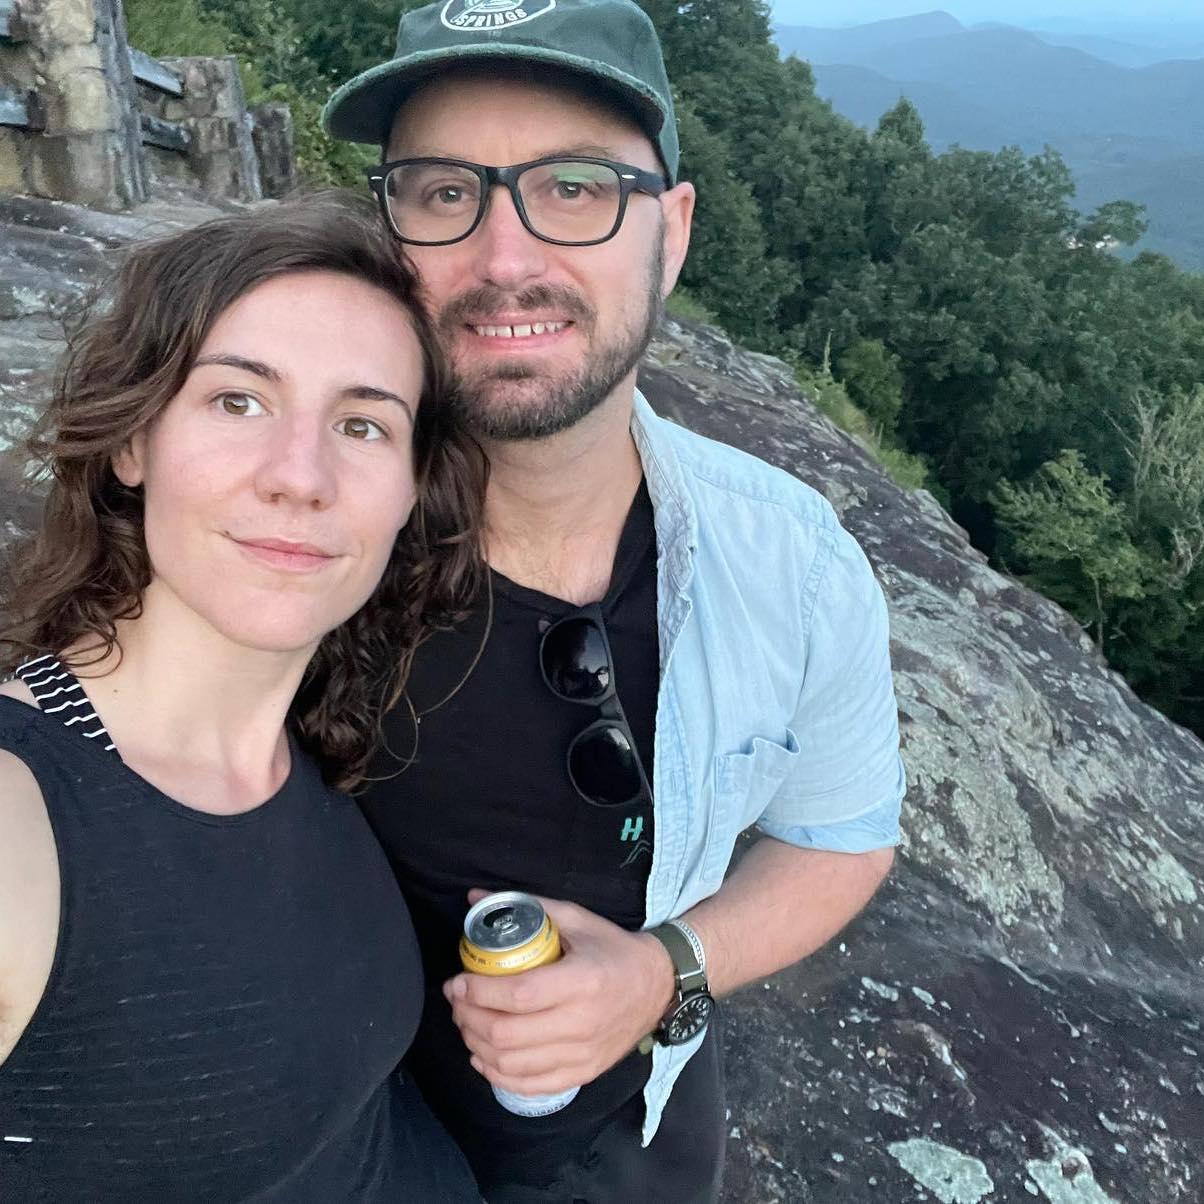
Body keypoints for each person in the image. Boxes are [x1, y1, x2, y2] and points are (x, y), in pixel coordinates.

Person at [324, 1, 906, 1199]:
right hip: (338, 1140)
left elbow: (839, 837)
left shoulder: (784, 561)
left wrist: (660, 975)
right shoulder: (300, 531)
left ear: (672, 230)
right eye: (443, 192)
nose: (506, 258)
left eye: (576, 187)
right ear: (388, 234)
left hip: (634, 1134)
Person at [0, 195, 485, 1202]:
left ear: (407, 490)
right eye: (238, 401)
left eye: (362, 424)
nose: (299, 476)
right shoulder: (24, 824)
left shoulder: (314, 749)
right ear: (134, 442)